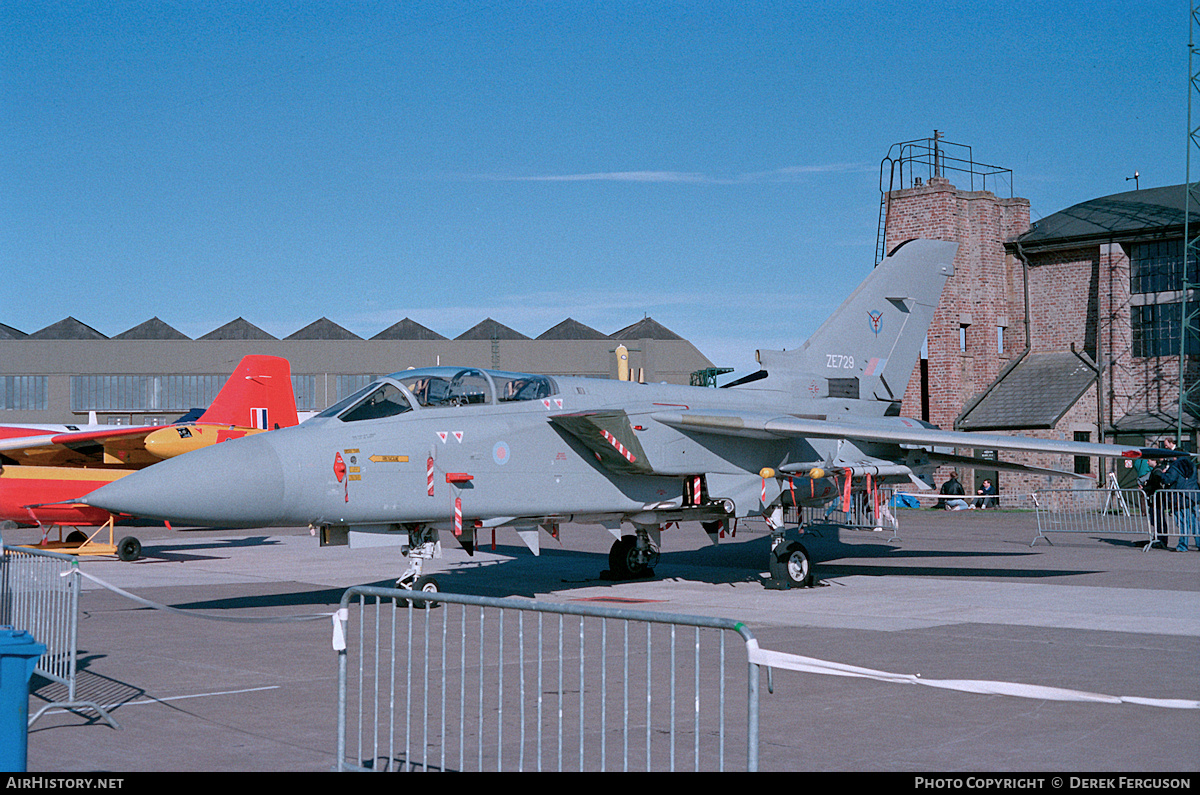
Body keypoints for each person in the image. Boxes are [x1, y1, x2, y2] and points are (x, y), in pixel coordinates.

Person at [1156, 442, 1199, 551]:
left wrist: (1162, 473)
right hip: (1193, 495)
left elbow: (1169, 479)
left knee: (1182, 521)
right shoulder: (1191, 464)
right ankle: (1199, 543)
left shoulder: (1176, 465)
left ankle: (1183, 545)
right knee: (1194, 522)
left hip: (1180, 497)